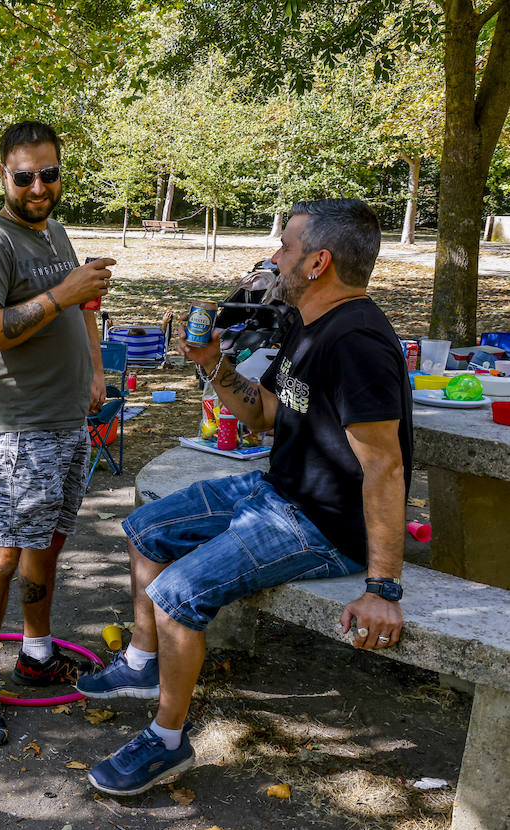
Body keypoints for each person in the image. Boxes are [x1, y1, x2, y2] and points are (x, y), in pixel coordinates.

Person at [78, 199, 412, 796]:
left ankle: (168, 740)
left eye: (286, 247)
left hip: (323, 526)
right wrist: (213, 362)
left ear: (319, 263)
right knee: (147, 527)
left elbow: (385, 468)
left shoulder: (358, 341)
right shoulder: (308, 324)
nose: (274, 258)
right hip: (276, 490)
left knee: (176, 593)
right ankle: (141, 664)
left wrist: (383, 587)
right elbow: (264, 417)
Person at [0, 120, 111, 746]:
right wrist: (61, 292)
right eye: (25, 176)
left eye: (49, 173)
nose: (39, 186)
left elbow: (83, 307)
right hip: (22, 428)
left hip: (69, 419)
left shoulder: (54, 231)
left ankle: (39, 653)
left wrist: (95, 371)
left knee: (48, 540)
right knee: (3, 551)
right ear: (4, 176)